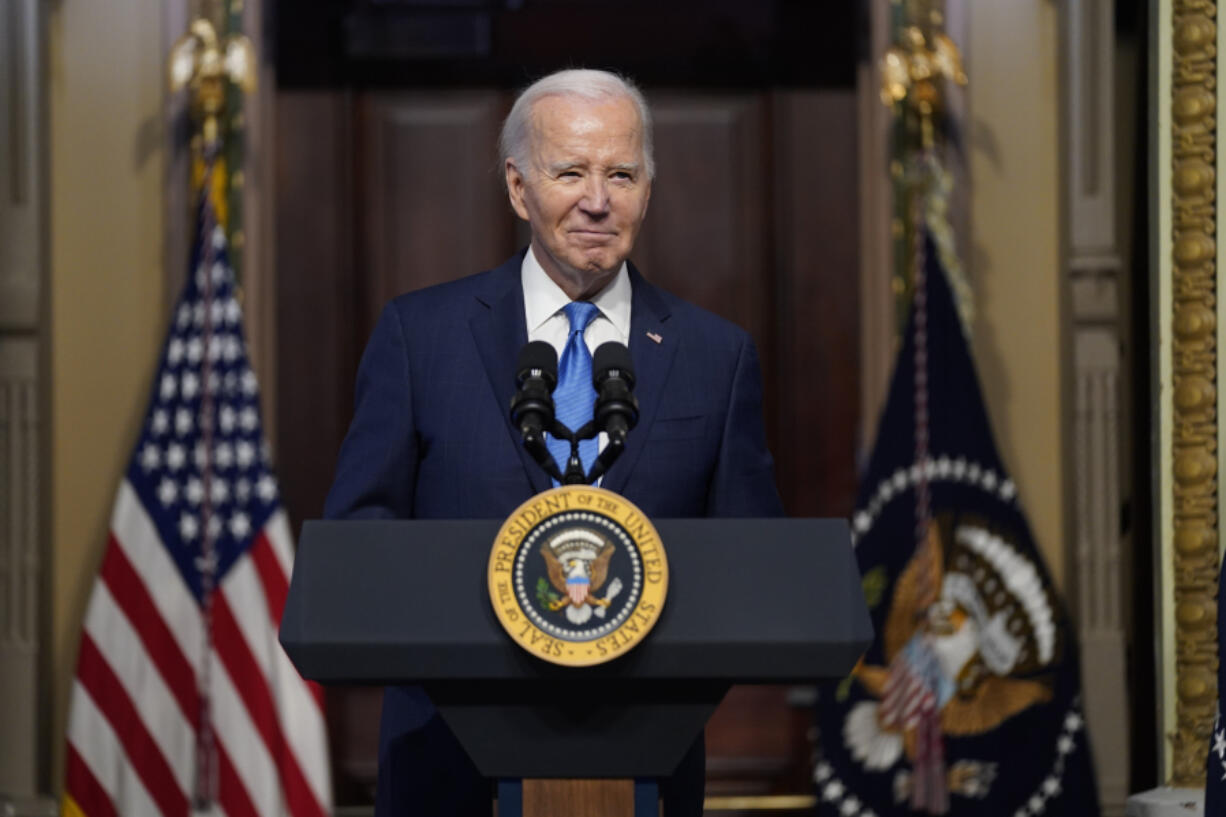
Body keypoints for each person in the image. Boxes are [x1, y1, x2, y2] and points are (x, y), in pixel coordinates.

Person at [324, 68, 784, 817]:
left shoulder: (714, 355)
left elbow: (752, 566)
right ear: (518, 187)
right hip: (447, 768)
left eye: (622, 174)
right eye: (570, 171)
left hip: (645, 766)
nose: (597, 200)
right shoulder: (421, 336)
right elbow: (361, 542)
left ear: (647, 188)